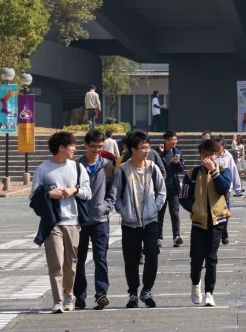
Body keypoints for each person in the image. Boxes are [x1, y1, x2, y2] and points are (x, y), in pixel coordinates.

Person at [30, 131, 93, 313]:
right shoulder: (43, 169)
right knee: (55, 262)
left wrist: (74, 190)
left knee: (70, 263)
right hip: (53, 222)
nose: (74, 149)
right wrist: (50, 194)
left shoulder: (78, 168)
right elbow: (33, 197)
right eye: (72, 145)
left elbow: (87, 192)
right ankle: (57, 300)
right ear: (61, 148)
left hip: (73, 221)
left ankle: (69, 295)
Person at [113, 130, 166, 308]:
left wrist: (155, 206)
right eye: (143, 148)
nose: (146, 151)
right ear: (133, 149)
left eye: (147, 147)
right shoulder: (123, 170)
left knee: (152, 254)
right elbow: (115, 195)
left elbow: (162, 191)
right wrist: (123, 211)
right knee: (131, 259)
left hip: (150, 221)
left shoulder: (152, 167)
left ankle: (147, 290)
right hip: (129, 223)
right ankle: (133, 293)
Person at [180, 138, 232, 307]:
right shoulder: (192, 174)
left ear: (216, 155)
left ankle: (209, 292)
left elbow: (224, 189)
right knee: (196, 259)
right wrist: (194, 208)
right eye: (204, 154)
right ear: (200, 155)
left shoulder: (224, 171)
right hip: (198, 222)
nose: (207, 157)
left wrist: (214, 172)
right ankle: (196, 285)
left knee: (211, 258)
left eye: (210, 154)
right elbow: (183, 197)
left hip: (217, 222)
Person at [74, 130, 117, 310]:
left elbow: (112, 191)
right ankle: (80, 296)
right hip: (81, 220)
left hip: (101, 219)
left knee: (101, 258)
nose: (97, 150)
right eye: (93, 147)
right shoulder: (76, 166)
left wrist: (106, 207)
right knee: (79, 259)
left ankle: (101, 294)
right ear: (85, 145)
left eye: (100, 147)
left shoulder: (107, 165)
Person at [157, 130, 185, 249]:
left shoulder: (177, 152)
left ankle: (176, 236)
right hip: (160, 188)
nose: (174, 142)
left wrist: (176, 163)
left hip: (173, 187)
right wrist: (161, 153)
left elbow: (181, 169)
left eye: (175, 139)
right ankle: (159, 237)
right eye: (172, 140)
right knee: (160, 214)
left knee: (175, 213)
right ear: (166, 140)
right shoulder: (157, 152)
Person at [212, 136, 242, 245]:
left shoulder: (228, 156)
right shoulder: (212, 155)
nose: (216, 148)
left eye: (218, 146)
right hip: (213, 187)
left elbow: (233, 170)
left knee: (225, 212)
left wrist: (237, 187)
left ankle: (224, 234)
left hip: (225, 188)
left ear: (223, 145)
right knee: (215, 211)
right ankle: (217, 233)